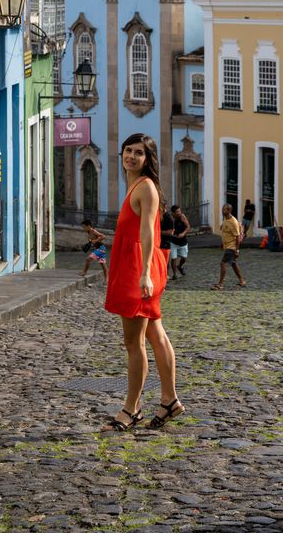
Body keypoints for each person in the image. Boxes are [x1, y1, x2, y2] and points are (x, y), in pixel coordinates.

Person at [103, 133, 185, 432]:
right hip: (136, 267)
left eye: (139, 153)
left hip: (139, 269)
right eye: (128, 150)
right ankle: (169, 401)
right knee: (155, 334)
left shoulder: (146, 187)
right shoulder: (136, 185)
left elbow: (149, 232)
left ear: (148, 159)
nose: (132, 156)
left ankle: (131, 409)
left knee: (133, 343)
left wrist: (145, 273)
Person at [211, 204, 247, 290]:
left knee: (223, 263)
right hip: (227, 245)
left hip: (232, 246)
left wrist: (237, 250)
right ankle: (242, 281)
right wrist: (223, 243)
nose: (222, 211)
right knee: (233, 263)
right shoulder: (225, 219)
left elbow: (237, 237)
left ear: (229, 211)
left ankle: (220, 284)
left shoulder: (233, 222)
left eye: (224, 210)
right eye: (222, 209)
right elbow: (226, 233)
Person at [170, 205, 190, 279]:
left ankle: (179, 266)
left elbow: (188, 227)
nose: (179, 213)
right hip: (173, 242)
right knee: (173, 258)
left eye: (179, 211)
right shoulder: (171, 218)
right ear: (173, 213)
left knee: (184, 258)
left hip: (183, 241)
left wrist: (183, 234)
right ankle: (174, 274)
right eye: (177, 212)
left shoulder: (182, 217)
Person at [159, 200, 175, 279]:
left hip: (165, 243)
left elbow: (171, 232)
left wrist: (158, 232)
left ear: (164, 207)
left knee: (164, 262)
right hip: (158, 242)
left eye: (160, 206)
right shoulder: (159, 216)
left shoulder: (169, 218)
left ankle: (165, 277)